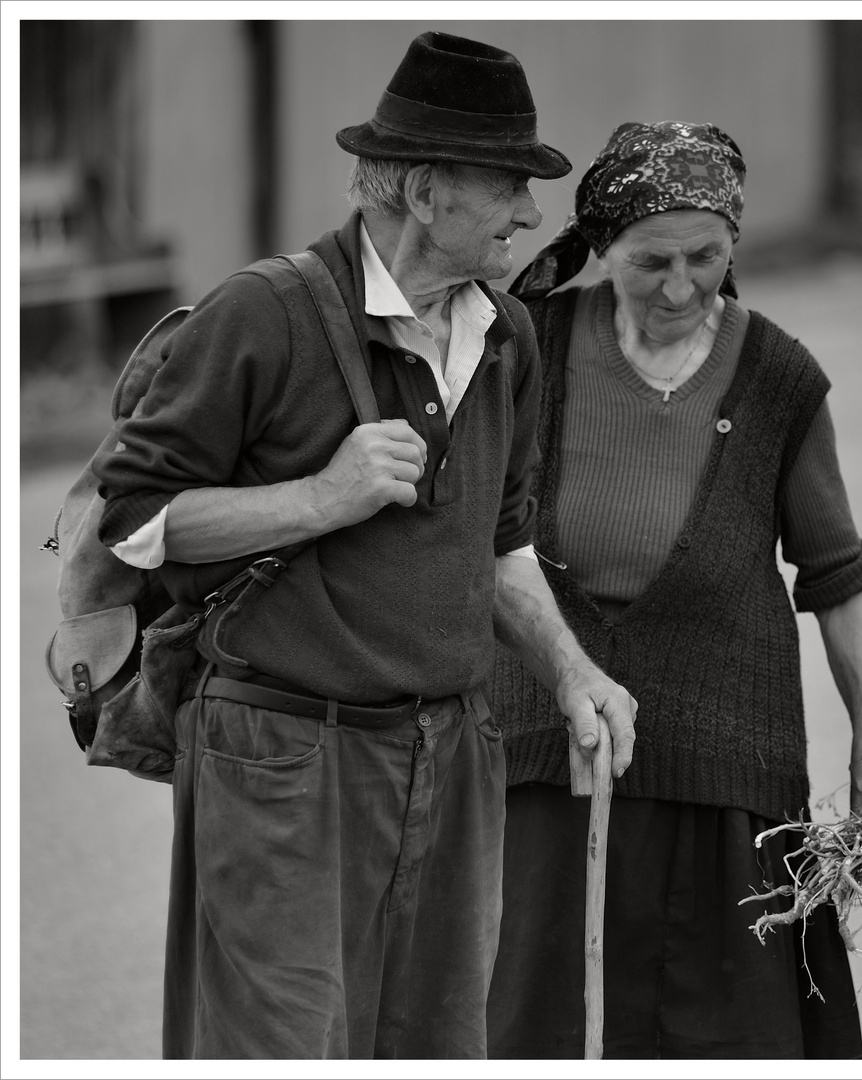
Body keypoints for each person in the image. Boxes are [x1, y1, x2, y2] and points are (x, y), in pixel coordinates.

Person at [92, 32, 636, 1059]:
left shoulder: (508, 338)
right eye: (508, 186)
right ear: (426, 194)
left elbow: (499, 545)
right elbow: (134, 526)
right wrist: (321, 497)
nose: (530, 214)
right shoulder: (263, 314)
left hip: (451, 756)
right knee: (281, 1050)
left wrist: (570, 673)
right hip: (283, 754)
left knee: (433, 1046)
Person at [486, 121, 862, 1059]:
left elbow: (841, 579)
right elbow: (476, 540)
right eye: (651, 261)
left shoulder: (775, 378)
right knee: (534, 1029)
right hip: (543, 770)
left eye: (706, 256)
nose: (681, 286)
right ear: (601, 248)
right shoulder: (529, 348)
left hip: (726, 785)